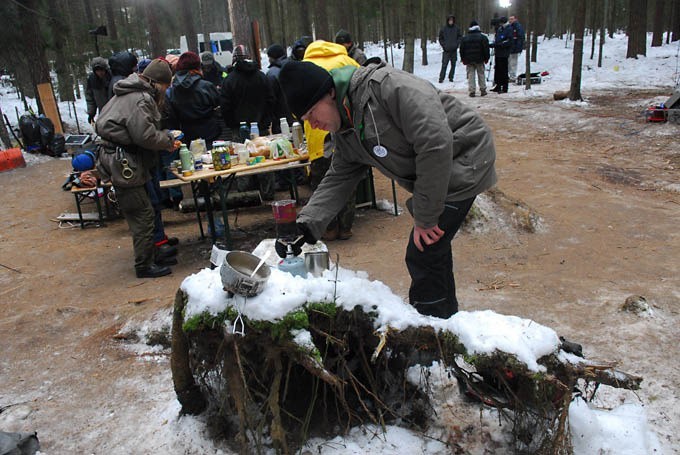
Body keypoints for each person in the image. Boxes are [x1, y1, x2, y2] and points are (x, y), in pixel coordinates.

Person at [278, 60, 497, 318]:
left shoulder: (388, 87)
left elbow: (435, 142)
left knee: (423, 252)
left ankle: (430, 330)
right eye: (305, 120)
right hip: (439, 170)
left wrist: (426, 219)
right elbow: (340, 176)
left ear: (330, 93)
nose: (313, 125)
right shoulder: (346, 128)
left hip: (463, 158)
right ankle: (446, 321)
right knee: (433, 250)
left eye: (312, 113)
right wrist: (306, 227)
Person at [95, 59, 178, 278]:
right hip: (123, 162)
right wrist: (167, 140)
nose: (166, 92)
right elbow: (145, 136)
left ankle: (153, 253)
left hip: (118, 158)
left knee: (145, 208)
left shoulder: (126, 93)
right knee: (142, 214)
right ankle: (144, 265)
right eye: (166, 87)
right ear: (158, 83)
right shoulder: (140, 99)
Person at [302, 40, 359, 240]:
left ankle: (328, 228)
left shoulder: (306, 67)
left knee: (323, 181)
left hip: (318, 136)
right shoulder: (347, 61)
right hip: (349, 130)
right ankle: (346, 227)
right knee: (347, 179)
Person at [220, 45, 276, 200]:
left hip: (239, 128)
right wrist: (265, 120)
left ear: (234, 59)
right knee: (264, 160)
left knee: (242, 161)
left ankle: (246, 196)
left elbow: (225, 106)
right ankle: (268, 193)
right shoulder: (261, 76)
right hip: (260, 126)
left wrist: (232, 124)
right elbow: (271, 100)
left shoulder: (229, 80)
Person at [165, 51, 221, 145]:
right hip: (211, 134)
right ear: (198, 67)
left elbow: (171, 117)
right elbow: (219, 105)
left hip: (186, 138)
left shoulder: (171, 92)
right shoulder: (207, 87)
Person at [265, 43, 292, 132]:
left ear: (272, 57)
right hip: (298, 115)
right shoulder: (293, 66)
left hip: (281, 119)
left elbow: (270, 99)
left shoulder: (272, 74)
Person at [459, 20, 490, 97]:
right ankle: (483, 90)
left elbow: (462, 50)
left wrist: (463, 59)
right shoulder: (483, 37)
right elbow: (486, 49)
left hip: (469, 60)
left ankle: (472, 90)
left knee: (470, 75)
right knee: (481, 74)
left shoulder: (465, 38)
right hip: (480, 59)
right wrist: (487, 58)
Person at [85, 57, 112, 124]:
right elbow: (90, 98)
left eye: (102, 70)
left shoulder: (112, 77)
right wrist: (91, 113)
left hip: (116, 111)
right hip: (103, 112)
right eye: (97, 70)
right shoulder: (92, 80)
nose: (100, 72)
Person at [438, 14, 462, 84]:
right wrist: (444, 45)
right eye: (449, 20)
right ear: (447, 21)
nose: (451, 21)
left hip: (454, 50)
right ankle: (441, 78)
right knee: (444, 64)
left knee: (453, 64)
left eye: (452, 20)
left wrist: (457, 44)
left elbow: (460, 37)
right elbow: (440, 38)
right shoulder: (443, 29)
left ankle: (451, 77)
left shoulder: (457, 29)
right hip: (446, 50)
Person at [489, 17, 511, 93]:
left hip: (504, 53)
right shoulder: (500, 29)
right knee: (497, 69)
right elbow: (498, 39)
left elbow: (508, 41)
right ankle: (498, 85)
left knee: (504, 70)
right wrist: (494, 44)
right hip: (498, 52)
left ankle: (505, 87)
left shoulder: (509, 29)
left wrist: (499, 44)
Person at [508, 15, 525, 81]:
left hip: (515, 48)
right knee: (509, 63)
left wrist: (518, 47)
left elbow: (520, 38)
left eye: (512, 19)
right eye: (509, 19)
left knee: (513, 63)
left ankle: (513, 76)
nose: (510, 20)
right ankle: (510, 75)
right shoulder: (510, 27)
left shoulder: (518, 27)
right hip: (510, 48)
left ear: (515, 19)